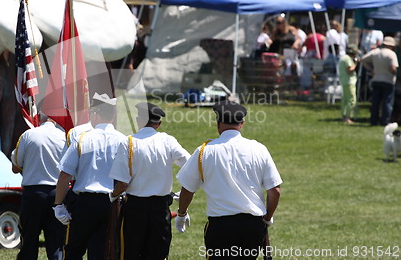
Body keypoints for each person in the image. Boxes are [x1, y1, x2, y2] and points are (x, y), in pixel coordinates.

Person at [175, 101, 282, 260]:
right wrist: (267, 218)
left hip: (221, 226)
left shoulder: (204, 151)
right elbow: (275, 191)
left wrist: (181, 214)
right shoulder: (259, 149)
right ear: (242, 123)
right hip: (252, 226)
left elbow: (187, 189)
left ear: (218, 124)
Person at [109, 102, 191, 259]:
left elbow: (123, 183)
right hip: (160, 209)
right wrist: (182, 191)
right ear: (158, 124)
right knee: (157, 254)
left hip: (134, 208)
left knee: (129, 254)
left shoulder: (128, 142)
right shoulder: (168, 141)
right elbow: (190, 165)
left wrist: (112, 195)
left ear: (139, 120)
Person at [53, 93, 126, 260]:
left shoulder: (82, 139)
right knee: (102, 251)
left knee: (73, 250)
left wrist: (58, 204)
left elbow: (65, 175)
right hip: (112, 203)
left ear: (95, 114)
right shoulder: (123, 140)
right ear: (113, 114)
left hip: (84, 203)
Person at [11, 114, 67, 260]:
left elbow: (15, 167)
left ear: (40, 117)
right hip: (57, 193)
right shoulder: (64, 137)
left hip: (33, 194)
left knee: (29, 240)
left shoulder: (28, 135)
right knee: (56, 242)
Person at [361, 36, 399, 126]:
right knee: (387, 102)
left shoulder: (375, 52)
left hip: (376, 79)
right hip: (388, 80)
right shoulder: (391, 54)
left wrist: (371, 69)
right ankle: (385, 122)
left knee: (375, 102)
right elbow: (393, 68)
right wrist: (394, 73)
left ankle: (373, 121)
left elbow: (362, 60)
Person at [339, 47, 359, 124]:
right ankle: (347, 117)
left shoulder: (343, 58)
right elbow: (349, 70)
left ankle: (344, 116)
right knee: (352, 100)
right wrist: (356, 64)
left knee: (345, 100)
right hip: (349, 81)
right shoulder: (347, 59)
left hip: (345, 81)